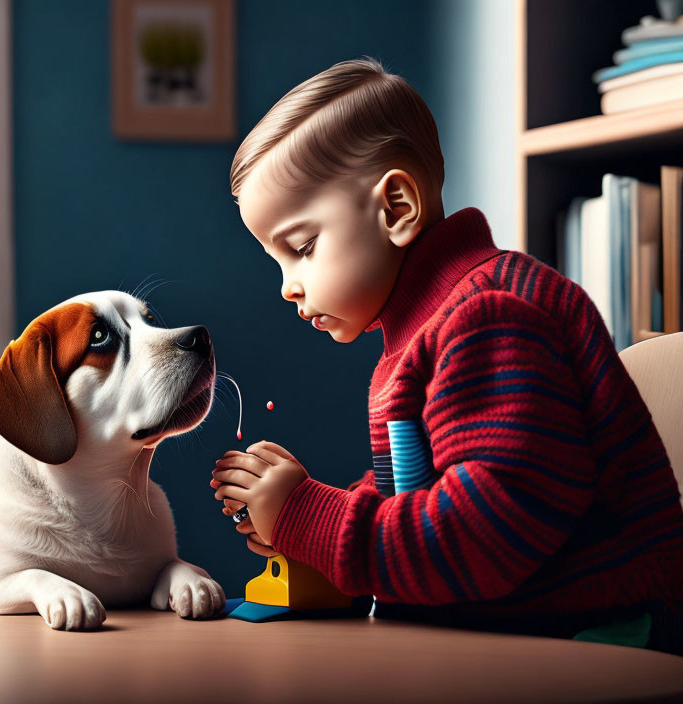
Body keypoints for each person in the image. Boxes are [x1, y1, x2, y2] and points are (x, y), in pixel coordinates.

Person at [209, 57, 683, 654]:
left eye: (302, 247)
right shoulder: (424, 327)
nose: (287, 286)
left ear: (396, 209)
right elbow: (415, 499)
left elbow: (487, 532)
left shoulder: (488, 317)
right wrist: (302, 530)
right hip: (513, 630)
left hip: (597, 635)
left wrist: (312, 517)